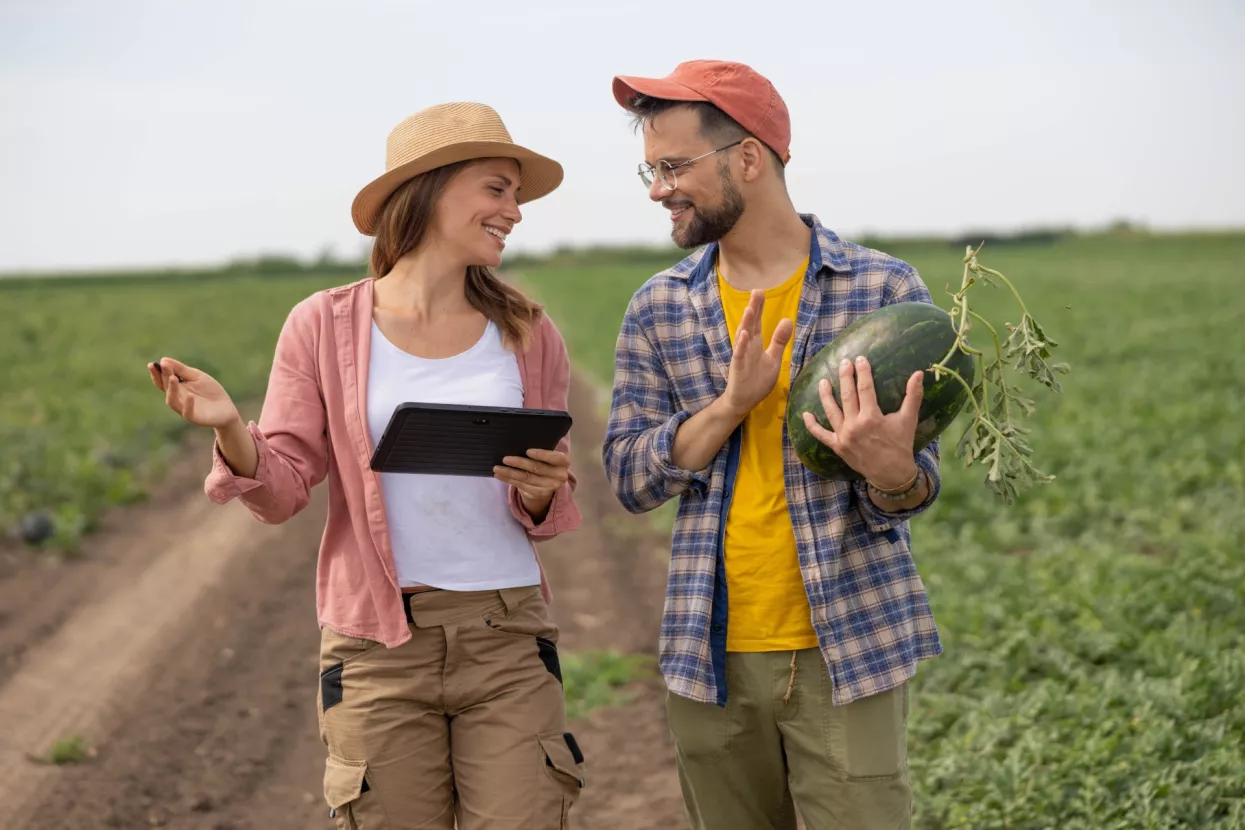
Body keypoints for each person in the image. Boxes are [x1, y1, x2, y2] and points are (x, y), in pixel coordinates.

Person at [147, 102, 587, 830]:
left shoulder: (528, 332)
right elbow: (282, 491)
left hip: (505, 634)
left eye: (516, 194)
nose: (514, 211)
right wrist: (228, 425)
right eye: (496, 189)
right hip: (378, 646)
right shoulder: (322, 324)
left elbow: (550, 500)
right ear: (429, 189)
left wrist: (542, 492)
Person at [602, 60, 943, 830]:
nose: (658, 189)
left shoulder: (882, 292)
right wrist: (730, 406)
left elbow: (915, 488)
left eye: (674, 167)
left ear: (748, 159)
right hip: (708, 653)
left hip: (848, 646)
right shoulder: (659, 307)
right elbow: (628, 477)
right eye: (651, 171)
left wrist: (892, 474)